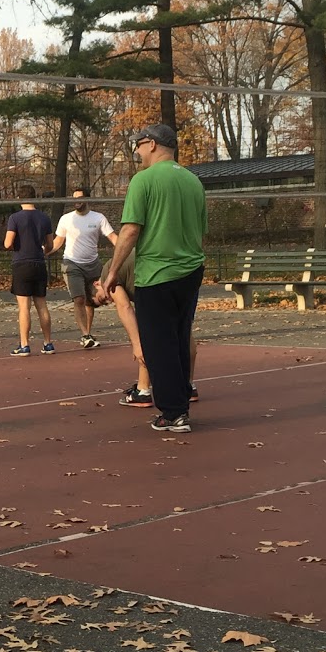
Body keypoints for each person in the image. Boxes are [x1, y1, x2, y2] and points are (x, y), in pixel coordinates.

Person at [102, 123, 207, 433]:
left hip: (157, 273)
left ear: (150, 144)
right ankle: (180, 403)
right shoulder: (193, 181)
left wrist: (112, 272)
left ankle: (173, 413)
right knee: (178, 336)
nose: (136, 151)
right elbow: (200, 232)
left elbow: (131, 230)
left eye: (138, 145)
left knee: (158, 343)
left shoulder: (143, 181)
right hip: (190, 270)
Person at [94, 251, 198, 407]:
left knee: (148, 336)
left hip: (157, 283)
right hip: (183, 273)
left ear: (97, 284)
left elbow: (125, 307)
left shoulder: (106, 276)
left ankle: (142, 391)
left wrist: (136, 344)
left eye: (102, 298)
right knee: (184, 330)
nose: (107, 300)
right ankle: (188, 387)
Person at [49, 187, 117, 349]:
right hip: (72, 263)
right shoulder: (66, 219)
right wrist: (45, 251)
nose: (76, 201)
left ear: (87, 199)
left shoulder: (98, 218)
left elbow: (113, 238)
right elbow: (58, 241)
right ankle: (85, 335)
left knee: (92, 301)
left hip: (93, 264)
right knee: (79, 298)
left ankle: (88, 333)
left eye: (79, 198)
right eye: (73, 198)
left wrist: (128, 250)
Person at [3, 184, 56, 355]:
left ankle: (24, 344)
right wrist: (43, 253)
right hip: (39, 263)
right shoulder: (44, 218)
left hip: (22, 263)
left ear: (19, 199)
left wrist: (14, 247)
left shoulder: (15, 218)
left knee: (24, 307)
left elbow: (8, 243)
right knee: (41, 304)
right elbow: (50, 244)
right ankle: (48, 343)